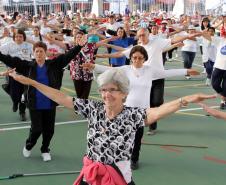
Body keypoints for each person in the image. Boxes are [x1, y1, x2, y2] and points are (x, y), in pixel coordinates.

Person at [6, 67, 215, 185]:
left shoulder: (132, 115)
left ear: (124, 93)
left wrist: (184, 99)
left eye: (113, 90)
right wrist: (32, 83)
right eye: (104, 90)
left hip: (116, 178)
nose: (107, 94)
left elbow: (156, 112)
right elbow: (61, 97)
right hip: (91, 175)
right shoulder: (94, 109)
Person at [82, 45, 199, 169]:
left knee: (137, 138)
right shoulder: (125, 69)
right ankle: (119, 158)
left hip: (142, 111)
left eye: (140, 58)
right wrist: (93, 66)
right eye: (134, 58)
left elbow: (167, 73)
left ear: (144, 59)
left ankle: (134, 159)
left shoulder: (150, 70)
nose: (137, 60)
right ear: (131, 58)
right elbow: (108, 69)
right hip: (125, 109)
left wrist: (186, 71)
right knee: (122, 137)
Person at [0, 39, 86, 162]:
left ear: (45, 53)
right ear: (33, 53)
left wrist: (79, 46)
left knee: (49, 130)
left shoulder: (54, 65)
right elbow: (9, 59)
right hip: (34, 103)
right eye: (37, 51)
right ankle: (29, 145)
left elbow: (68, 56)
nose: (39, 54)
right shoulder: (27, 66)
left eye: (41, 51)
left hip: (50, 102)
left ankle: (45, 149)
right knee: (36, 129)